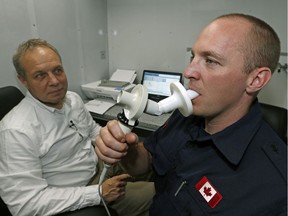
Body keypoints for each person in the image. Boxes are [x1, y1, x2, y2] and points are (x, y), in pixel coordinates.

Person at [95, 13, 287, 216]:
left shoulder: (276, 188)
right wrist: (127, 150)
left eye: (211, 61)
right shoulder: (187, 114)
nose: (188, 72)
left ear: (255, 79)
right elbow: (149, 159)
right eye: (192, 57)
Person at [0, 39, 154, 216]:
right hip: (79, 191)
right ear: (23, 80)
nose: (54, 81)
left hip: (98, 163)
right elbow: (26, 204)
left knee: (155, 162)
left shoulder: (72, 99)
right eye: (40, 75)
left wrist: (111, 141)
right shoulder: (15, 131)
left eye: (58, 71)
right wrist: (98, 193)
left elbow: (92, 131)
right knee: (161, 195)